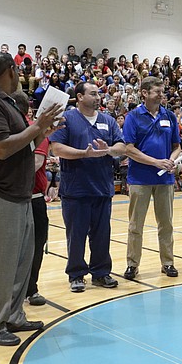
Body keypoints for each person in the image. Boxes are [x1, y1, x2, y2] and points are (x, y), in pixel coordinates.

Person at [0, 52, 64, 346]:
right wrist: (36, 127)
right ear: (11, 70)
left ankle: (13, 316)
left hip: (18, 193)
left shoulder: (6, 102)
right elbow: (1, 149)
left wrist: (44, 130)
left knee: (21, 262)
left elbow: (23, 144)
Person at [50, 82, 126, 292]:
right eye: (93, 93)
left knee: (102, 235)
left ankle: (101, 273)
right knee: (76, 236)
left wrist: (109, 149)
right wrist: (84, 153)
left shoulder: (108, 120)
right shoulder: (67, 119)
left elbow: (122, 146)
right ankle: (76, 274)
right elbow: (57, 148)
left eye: (98, 93)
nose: (98, 97)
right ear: (80, 97)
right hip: (76, 189)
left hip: (102, 188)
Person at [122, 76, 181, 280]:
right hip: (139, 179)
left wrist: (171, 161)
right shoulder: (133, 116)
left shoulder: (169, 116)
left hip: (165, 180)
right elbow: (129, 149)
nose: (161, 95)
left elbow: (177, 147)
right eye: (157, 91)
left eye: (162, 91)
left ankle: (168, 262)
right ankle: (132, 264)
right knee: (135, 225)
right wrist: (156, 162)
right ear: (144, 93)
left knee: (166, 224)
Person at [9, 91, 49, 307]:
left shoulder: (35, 130)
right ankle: (14, 291)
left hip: (32, 197)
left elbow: (34, 165)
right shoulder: (8, 129)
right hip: (12, 198)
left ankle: (31, 288)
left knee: (35, 245)